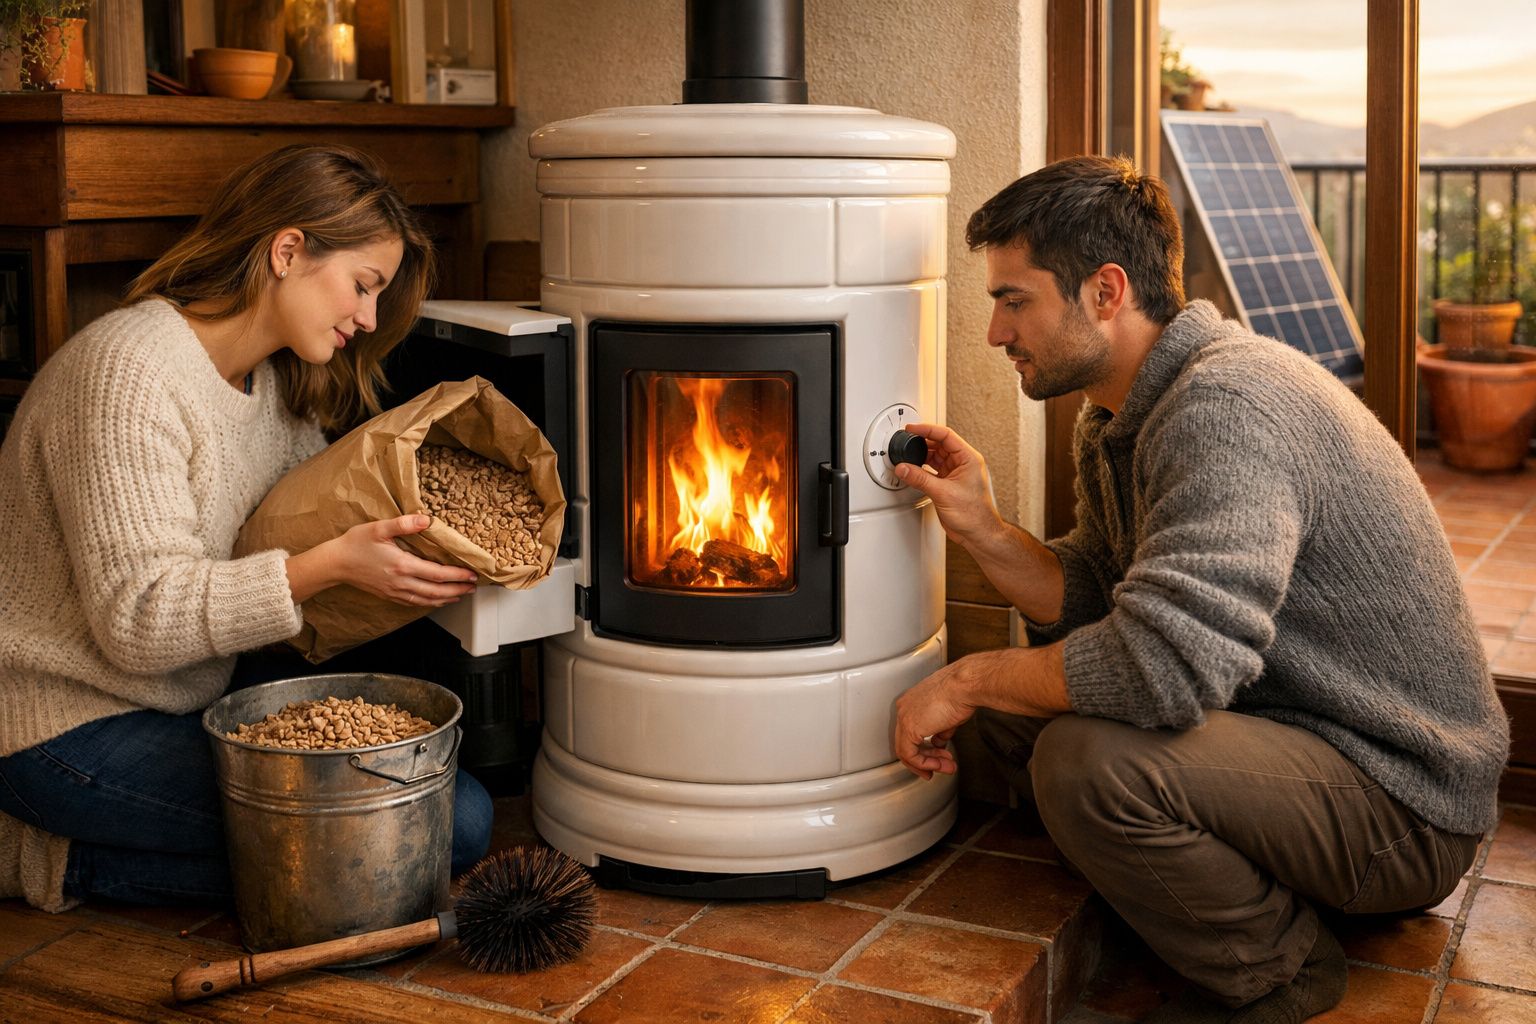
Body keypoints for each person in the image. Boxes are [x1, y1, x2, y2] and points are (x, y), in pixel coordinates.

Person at [891, 155, 1509, 1023]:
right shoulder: (1119, 413)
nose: (996, 333)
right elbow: (1109, 595)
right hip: (1276, 729)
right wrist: (985, 528)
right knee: (999, 721)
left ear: (1105, 291)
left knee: (1081, 762)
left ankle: (1282, 973)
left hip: (1400, 800)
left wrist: (966, 679)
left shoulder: (1226, 407)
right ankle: (1181, 868)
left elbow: (1163, 668)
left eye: (1012, 299)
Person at [0, 144, 492, 912]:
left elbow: (306, 527)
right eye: (362, 287)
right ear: (288, 250)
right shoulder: (127, 372)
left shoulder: (273, 386)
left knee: (460, 811)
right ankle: (41, 857)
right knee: (429, 835)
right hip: (63, 726)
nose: (367, 319)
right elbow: (140, 620)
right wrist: (327, 567)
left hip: (192, 693)